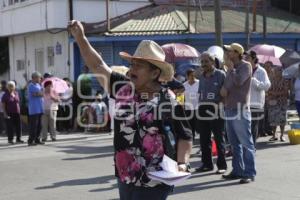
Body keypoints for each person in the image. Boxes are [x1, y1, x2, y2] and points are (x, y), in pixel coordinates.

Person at [69, 20, 193, 200]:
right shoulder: (121, 88)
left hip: (155, 179)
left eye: (138, 65)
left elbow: (185, 135)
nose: (131, 69)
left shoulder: (168, 100)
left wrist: (183, 164)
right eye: (132, 64)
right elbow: (97, 65)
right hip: (125, 175)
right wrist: (80, 38)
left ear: (155, 73)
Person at [221, 43, 256, 184]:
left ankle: (249, 173)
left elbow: (239, 81)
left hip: (240, 109)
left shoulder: (245, 66)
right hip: (229, 108)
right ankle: (237, 170)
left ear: (236, 53)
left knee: (246, 143)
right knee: (234, 144)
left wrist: (230, 69)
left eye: (229, 51)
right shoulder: (231, 68)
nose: (227, 53)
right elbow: (227, 86)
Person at [195, 52, 227, 174]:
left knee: (219, 138)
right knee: (204, 138)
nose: (203, 64)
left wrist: (221, 106)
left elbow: (225, 93)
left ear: (213, 62)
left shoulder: (220, 74)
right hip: (203, 108)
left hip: (216, 108)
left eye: (206, 61)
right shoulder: (201, 77)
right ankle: (207, 164)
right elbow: (200, 94)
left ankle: (221, 165)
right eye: (202, 62)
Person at [244, 51, 271, 146]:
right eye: (245, 58)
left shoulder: (261, 71)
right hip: (244, 103)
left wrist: (254, 81)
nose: (245, 60)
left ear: (253, 59)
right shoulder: (244, 70)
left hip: (256, 104)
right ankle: (247, 146)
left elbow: (267, 86)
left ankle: (252, 147)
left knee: (253, 127)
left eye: (247, 58)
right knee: (245, 127)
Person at [267, 67, 290, 142]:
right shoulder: (271, 80)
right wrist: (271, 94)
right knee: (273, 120)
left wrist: (275, 93)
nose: (277, 73)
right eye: (276, 71)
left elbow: (286, 91)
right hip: (273, 103)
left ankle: (282, 135)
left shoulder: (285, 80)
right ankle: (274, 135)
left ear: (281, 72)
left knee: (282, 120)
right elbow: (268, 90)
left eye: (279, 71)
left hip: (282, 103)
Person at [27, 72, 44, 146]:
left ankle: (37, 139)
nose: (40, 79)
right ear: (34, 78)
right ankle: (31, 140)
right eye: (39, 77)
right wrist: (41, 93)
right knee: (34, 126)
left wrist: (41, 93)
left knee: (39, 126)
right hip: (34, 109)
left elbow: (41, 94)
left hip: (40, 108)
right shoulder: (31, 85)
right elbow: (37, 94)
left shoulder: (38, 85)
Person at [183, 69, 199, 140]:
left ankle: (202, 138)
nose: (193, 77)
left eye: (194, 75)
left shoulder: (199, 83)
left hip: (198, 107)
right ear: (187, 76)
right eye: (191, 75)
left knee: (199, 125)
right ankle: (191, 138)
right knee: (190, 125)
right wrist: (181, 105)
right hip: (188, 108)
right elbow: (180, 96)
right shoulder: (184, 85)